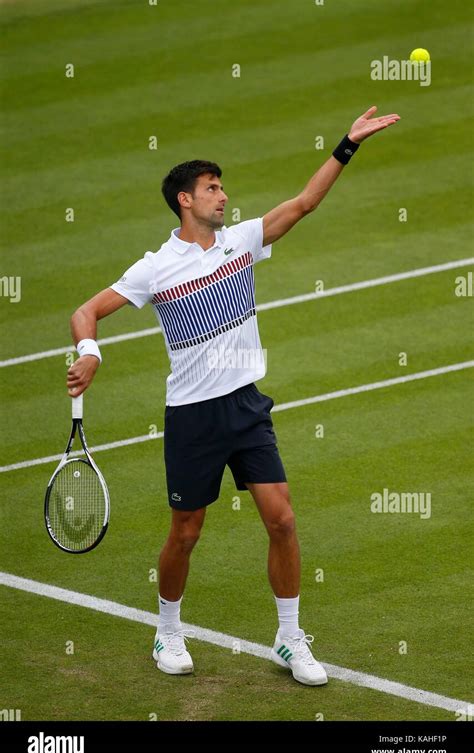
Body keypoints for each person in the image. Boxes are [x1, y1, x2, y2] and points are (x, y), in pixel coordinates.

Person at [67, 106, 400, 686]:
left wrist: (347, 144)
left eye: (222, 187)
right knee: (186, 530)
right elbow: (87, 311)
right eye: (211, 188)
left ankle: (289, 638)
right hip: (193, 416)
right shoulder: (155, 267)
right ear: (185, 202)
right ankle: (167, 629)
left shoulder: (241, 241)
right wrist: (90, 351)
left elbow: (303, 204)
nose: (223, 196)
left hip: (247, 407)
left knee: (283, 521)